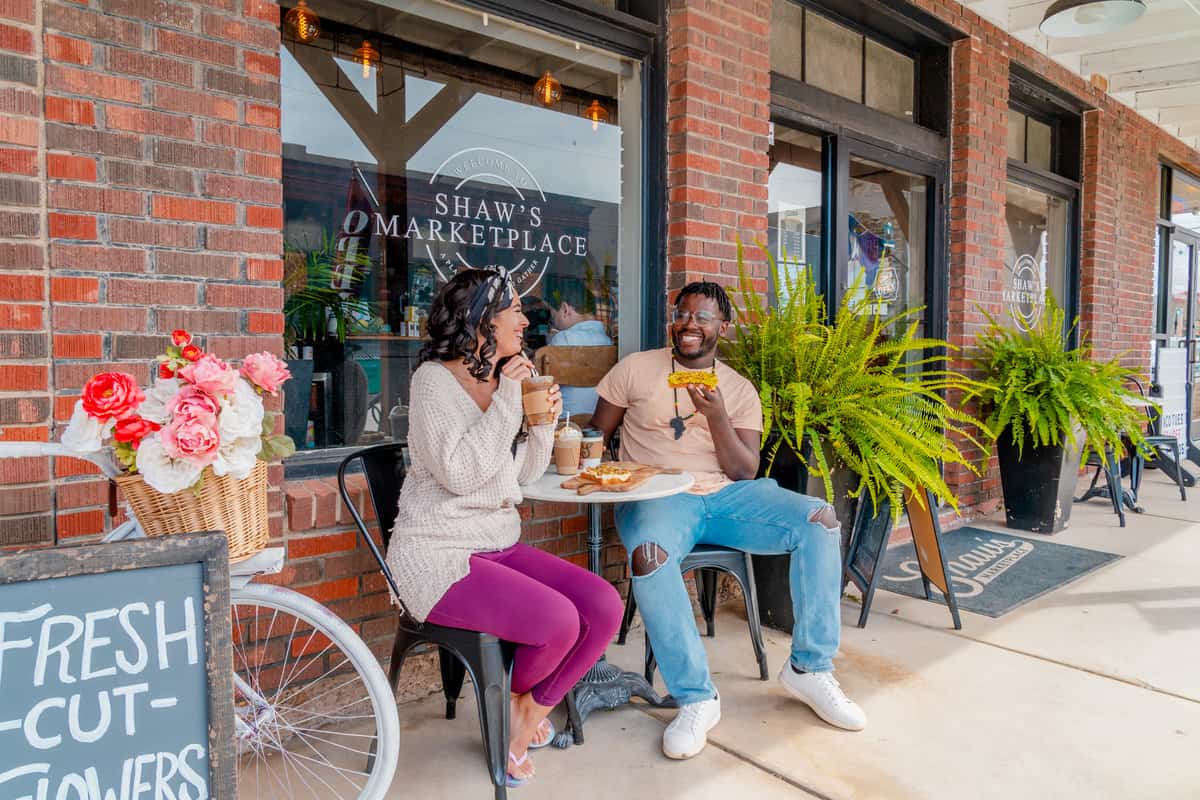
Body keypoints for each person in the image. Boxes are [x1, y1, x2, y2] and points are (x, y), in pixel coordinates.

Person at [590, 280, 866, 761]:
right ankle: (696, 697)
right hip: (659, 497)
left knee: (819, 520)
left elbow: (744, 469)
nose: (689, 324)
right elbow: (597, 436)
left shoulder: (737, 389)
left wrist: (715, 415)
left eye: (703, 317)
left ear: (724, 327)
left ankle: (811, 668)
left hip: (727, 495)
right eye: (683, 314)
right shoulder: (635, 369)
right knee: (650, 558)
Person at [386, 268, 624, 786]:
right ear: (480, 321)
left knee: (604, 606)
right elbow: (461, 475)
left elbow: (518, 476)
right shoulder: (434, 382)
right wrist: (510, 403)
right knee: (559, 621)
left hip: (495, 542)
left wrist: (539, 428)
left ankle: (525, 712)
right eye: (514, 309)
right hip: (437, 554)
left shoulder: (503, 382)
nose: (524, 318)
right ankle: (514, 724)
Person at [548, 294, 613, 418]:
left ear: (565, 309)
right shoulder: (608, 341)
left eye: (553, 316)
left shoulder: (563, 338)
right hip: (599, 419)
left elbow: (546, 388)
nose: (553, 322)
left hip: (565, 422)